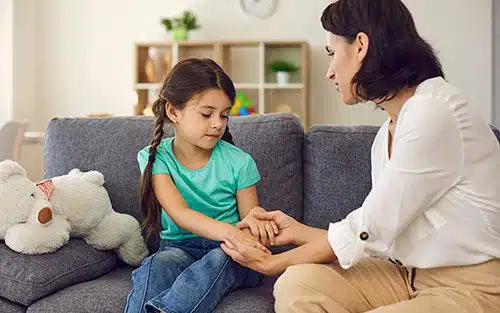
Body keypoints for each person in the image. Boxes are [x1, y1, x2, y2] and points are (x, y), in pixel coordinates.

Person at [221, 0, 500, 312]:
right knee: (298, 283)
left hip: (471, 286)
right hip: (404, 273)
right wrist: (296, 231)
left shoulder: (434, 111)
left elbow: (369, 227)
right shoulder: (388, 133)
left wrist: (273, 264)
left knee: (285, 273)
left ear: (361, 46)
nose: (329, 72)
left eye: (332, 53)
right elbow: (375, 238)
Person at [124, 58, 278, 313]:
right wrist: (232, 233)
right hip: (179, 248)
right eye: (207, 114)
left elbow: (250, 218)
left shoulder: (239, 162)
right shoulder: (155, 158)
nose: (218, 123)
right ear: (174, 112)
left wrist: (255, 227)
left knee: (221, 258)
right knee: (158, 264)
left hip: (230, 251)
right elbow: (180, 214)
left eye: (224, 115)